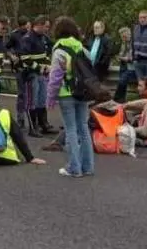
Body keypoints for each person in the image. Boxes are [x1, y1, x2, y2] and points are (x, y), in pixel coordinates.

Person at [46, 16, 95, 177]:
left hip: (66, 93)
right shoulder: (83, 48)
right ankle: (88, 166)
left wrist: (50, 97)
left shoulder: (59, 49)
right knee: (84, 128)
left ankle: (74, 167)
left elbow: (55, 77)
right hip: (82, 92)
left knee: (71, 130)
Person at [18, 15, 53, 137]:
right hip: (31, 74)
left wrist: (48, 64)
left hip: (42, 74)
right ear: (38, 25)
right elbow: (24, 58)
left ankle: (44, 124)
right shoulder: (27, 38)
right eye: (45, 26)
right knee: (32, 101)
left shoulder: (43, 38)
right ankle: (33, 128)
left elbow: (47, 53)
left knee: (42, 100)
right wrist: (39, 67)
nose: (47, 29)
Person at [6, 16, 30, 127]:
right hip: (19, 66)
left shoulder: (31, 35)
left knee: (31, 94)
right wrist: (11, 56)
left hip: (30, 66)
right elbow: (6, 47)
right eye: (26, 25)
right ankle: (20, 118)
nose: (27, 27)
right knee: (22, 93)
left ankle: (33, 118)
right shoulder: (14, 35)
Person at [113, 27, 136, 102]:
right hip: (123, 65)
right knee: (122, 84)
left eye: (124, 36)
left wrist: (123, 58)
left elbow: (131, 57)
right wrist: (120, 57)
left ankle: (116, 99)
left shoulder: (134, 43)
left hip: (132, 67)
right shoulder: (123, 43)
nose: (123, 38)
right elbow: (121, 53)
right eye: (122, 37)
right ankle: (121, 100)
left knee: (122, 81)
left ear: (129, 34)